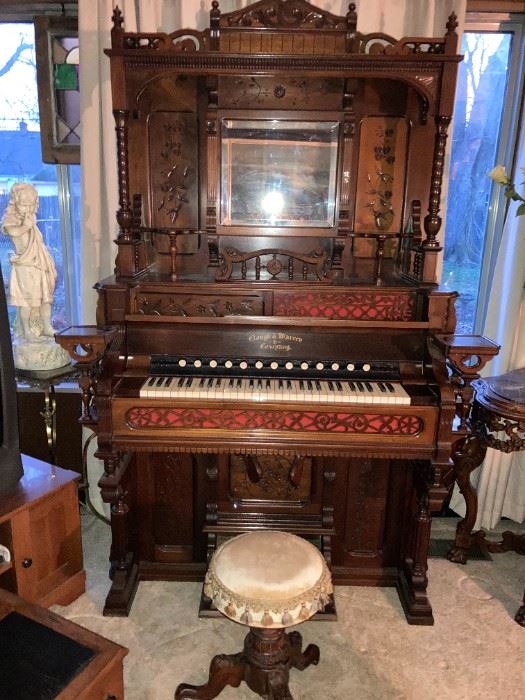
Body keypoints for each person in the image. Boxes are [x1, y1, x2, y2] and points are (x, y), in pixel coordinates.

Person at [2, 182, 57, 341]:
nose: (28, 209)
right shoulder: (10, 220)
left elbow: (38, 242)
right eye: (24, 205)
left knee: (45, 297)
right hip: (24, 265)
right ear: (15, 203)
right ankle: (27, 331)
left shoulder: (31, 219)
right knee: (26, 300)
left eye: (31, 205)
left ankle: (46, 326)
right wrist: (26, 226)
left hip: (39, 264)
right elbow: (13, 232)